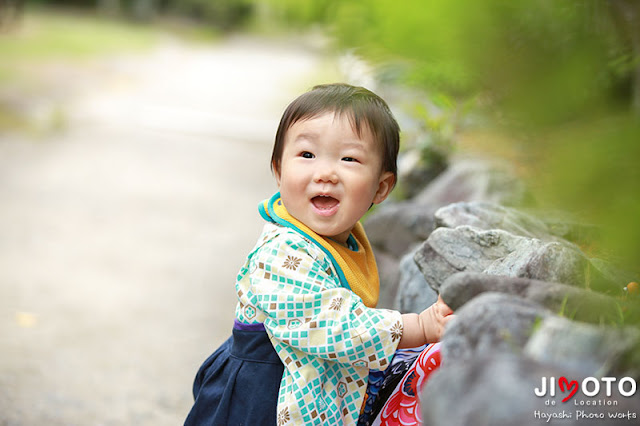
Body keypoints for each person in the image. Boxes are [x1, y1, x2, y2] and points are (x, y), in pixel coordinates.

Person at [185, 83, 454, 426]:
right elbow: (334, 324)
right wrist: (418, 326)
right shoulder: (282, 251)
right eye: (307, 155)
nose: (325, 173)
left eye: (349, 159)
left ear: (381, 187)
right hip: (262, 400)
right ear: (279, 170)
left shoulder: (344, 239)